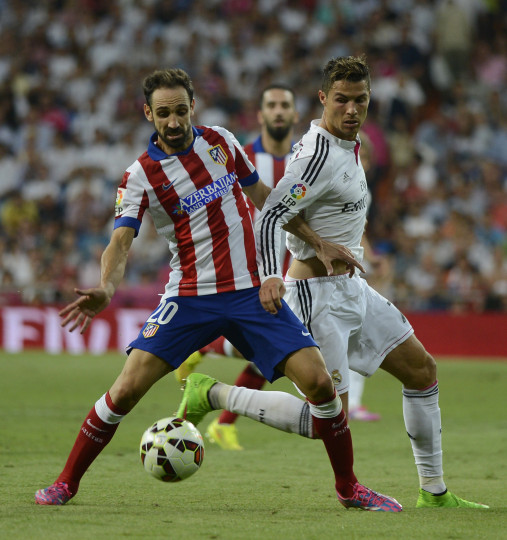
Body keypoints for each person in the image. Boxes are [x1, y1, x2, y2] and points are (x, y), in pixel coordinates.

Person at [34, 67, 401, 511]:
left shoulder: (221, 143)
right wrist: (107, 288)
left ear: (194, 107)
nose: (174, 121)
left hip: (251, 293)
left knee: (321, 384)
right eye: (164, 113)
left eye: (181, 110)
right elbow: (120, 240)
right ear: (148, 113)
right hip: (190, 297)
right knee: (126, 390)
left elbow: (267, 197)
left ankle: (350, 489)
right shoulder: (141, 176)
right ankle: (65, 484)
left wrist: (319, 241)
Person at [179, 56, 488, 509]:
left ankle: (435, 493)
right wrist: (271, 274)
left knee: (422, 371)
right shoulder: (315, 155)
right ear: (323, 98)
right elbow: (270, 215)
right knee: (330, 418)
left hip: (353, 290)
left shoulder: (351, 144)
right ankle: (214, 393)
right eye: (341, 100)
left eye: (360, 100)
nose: (351, 109)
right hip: (315, 297)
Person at [176, 84, 379, 451]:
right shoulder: (243, 156)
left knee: (277, 352)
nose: (280, 111)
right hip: (256, 267)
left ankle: (216, 393)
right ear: (261, 114)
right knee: (277, 351)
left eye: (286, 104)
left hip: (301, 265)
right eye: (272, 105)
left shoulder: (308, 156)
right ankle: (213, 379)